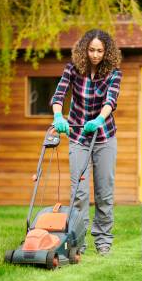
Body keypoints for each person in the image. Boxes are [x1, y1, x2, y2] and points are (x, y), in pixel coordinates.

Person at [49, 29, 122, 256]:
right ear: (84, 50)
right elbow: (59, 95)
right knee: (79, 193)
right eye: (91, 50)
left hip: (104, 137)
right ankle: (78, 241)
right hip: (79, 136)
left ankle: (103, 242)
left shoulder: (114, 73)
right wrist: (58, 116)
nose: (95, 55)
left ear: (107, 52)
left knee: (104, 192)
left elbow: (111, 99)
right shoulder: (73, 69)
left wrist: (99, 118)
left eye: (100, 50)